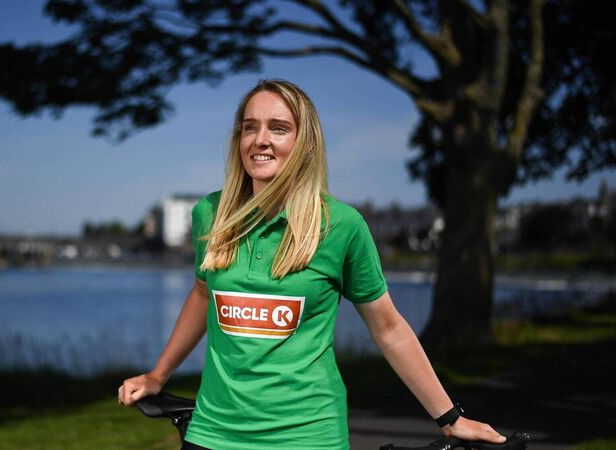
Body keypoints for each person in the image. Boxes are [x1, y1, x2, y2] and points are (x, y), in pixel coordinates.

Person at [118, 79, 507, 449]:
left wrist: (450, 418)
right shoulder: (210, 213)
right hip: (213, 432)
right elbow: (203, 295)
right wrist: (157, 375)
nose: (260, 139)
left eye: (278, 128)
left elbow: (389, 328)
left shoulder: (341, 226)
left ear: (305, 144)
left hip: (307, 435)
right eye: (250, 127)